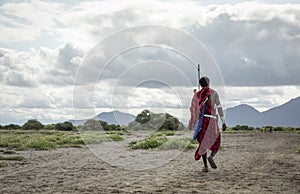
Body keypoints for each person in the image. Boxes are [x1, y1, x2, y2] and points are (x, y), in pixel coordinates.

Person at [188, 77, 227, 172]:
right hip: (212, 121)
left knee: (203, 143)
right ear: (209, 83)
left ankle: (205, 166)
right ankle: (212, 156)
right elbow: (219, 108)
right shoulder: (214, 93)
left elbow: (194, 109)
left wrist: (192, 122)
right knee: (217, 141)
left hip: (202, 121)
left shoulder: (198, 95)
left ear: (200, 84)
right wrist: (223, 122)